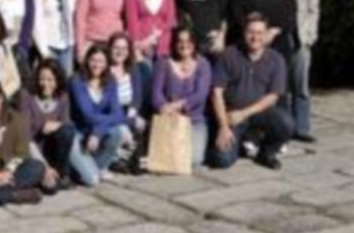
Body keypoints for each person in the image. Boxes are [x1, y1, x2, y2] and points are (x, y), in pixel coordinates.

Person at [209, 13, 294, 170]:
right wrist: (223, 126)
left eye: (260, 32)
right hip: (232, 115)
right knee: (222, 160)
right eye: (251, 32)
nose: (255, 37)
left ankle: (267, 153)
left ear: (267, 34)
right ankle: (238, 143)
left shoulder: (276, 60)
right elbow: (217, 93)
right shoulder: (229, 55)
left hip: (259, 112)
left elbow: (272, 97)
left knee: (286, 123)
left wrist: (244, 113)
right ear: (244, 33)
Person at [275, 0, 320, 143]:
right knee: (280, 88)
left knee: (301, 87)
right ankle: (285, 127)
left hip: (300, 40)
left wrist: (309, 37)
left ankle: (301, 127)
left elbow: (313, 10)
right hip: (276, 42)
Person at [152, 27, 212, 167]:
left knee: (194, 160)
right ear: (174, 43)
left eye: (188, 41)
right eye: (180, 41)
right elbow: (156, 93)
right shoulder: (163, 62)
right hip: (169, 119)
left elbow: (201, 94)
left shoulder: (203, 64)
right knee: (168, 160)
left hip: (194, 120)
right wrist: (164, 107)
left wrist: (178, 105)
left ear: (194, 43)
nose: (184, 45)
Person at [18, 60, 79, 192]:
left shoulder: (63, 97)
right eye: (42, 79)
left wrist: (58, 124)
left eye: (51, 80)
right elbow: (25, 137)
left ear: (58, 81)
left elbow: (68, 126)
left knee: (67, 131)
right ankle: (48, 175)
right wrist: (45, 167)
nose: (45, 84)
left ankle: (61, 173)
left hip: (53, 150)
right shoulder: (27, 96)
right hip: (33, 150)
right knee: (50, 190)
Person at [69, 45, 127, 183]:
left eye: (101, 61)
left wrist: (97, 132)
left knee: (119, 131)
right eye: (93, 60)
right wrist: (98, 130)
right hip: (78, 131)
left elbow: (118, 113)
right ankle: (82, 169)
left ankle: (97, 167)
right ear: (87, 60)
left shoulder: (110, 81)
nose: (96, 65)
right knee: (93, 180)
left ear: (106, 63)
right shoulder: (77, 80)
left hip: (94, 131)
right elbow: (86, 114)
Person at [33, 0, 78, 76]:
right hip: (49, 44)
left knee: (66, 81)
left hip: (67, 44)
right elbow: (37, 22)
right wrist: (43, 51)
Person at [106, 33, 146, 173]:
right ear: (109, 49)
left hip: (128, 109)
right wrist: (127, 120)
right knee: (125, 129)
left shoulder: (132, 69)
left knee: (141, 124)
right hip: (112, 112)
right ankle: (119, 160)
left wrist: (134, 112)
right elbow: (109, 103)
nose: (120, 52)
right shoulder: (105, 71)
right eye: (116, 48)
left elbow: (137, 96)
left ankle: (135, 160)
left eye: (124, 49)